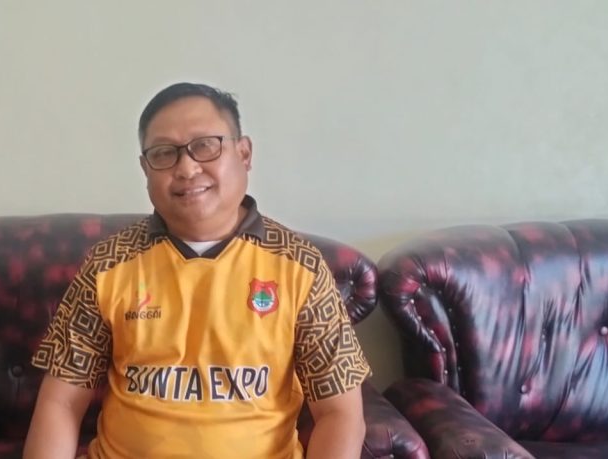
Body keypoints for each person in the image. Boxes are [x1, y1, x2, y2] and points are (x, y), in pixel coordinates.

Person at [23, 82, 370, 459]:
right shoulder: (107, 264)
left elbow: (340, 414)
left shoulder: (300, 267)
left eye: (205, 146)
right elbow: (61, 402)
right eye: (164, 153)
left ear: (244, 153)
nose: (187, 168)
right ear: (145, 168)